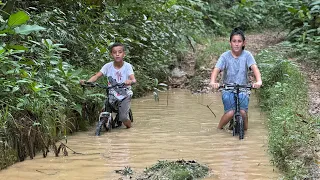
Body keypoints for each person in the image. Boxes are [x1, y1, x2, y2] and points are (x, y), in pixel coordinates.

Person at [210, 28, 262, 130]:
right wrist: (213, 81)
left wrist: (259, 81)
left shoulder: (247, 55)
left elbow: (255, 68)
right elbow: (216, 69)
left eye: (239, 41)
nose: (236, 44)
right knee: (230, 112)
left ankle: (245, 132)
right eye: (234, 41)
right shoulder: (225, 56)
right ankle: (218, 129)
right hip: (228, 88)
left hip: (243, 88)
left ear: (243, 43)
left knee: (243, 113)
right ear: (230, 43)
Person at [80, 43, 136, 128]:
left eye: (120, 52)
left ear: (124, 54)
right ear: (111, 54)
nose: (117, 54)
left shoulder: (127, 66)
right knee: (105, 107)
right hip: (111, 93)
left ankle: (129, 127)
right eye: (114, 52)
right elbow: (96, 76)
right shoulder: (107, 66)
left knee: (124, 117)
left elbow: (134, 79)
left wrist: (130, 81)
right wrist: (87, 82)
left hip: (125, 94)